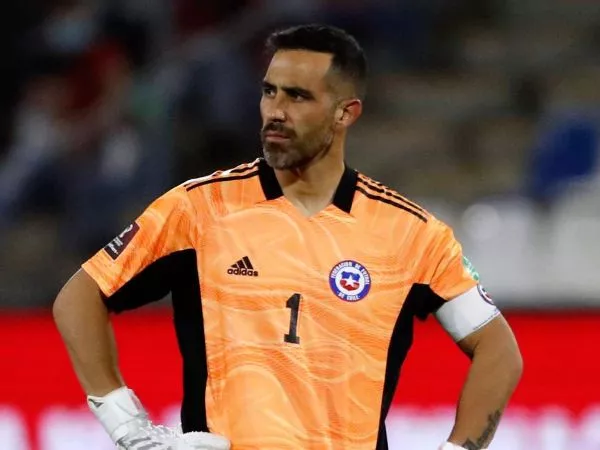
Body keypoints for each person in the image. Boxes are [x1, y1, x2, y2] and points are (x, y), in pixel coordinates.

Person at [53, 24, 523, 450]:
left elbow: (498, 351)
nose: (275, 111)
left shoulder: (411, 234)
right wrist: (129, 428)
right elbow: (80, 297)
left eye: (297, 97)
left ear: (345, 114)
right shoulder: (200, 209)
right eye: (269, 91)